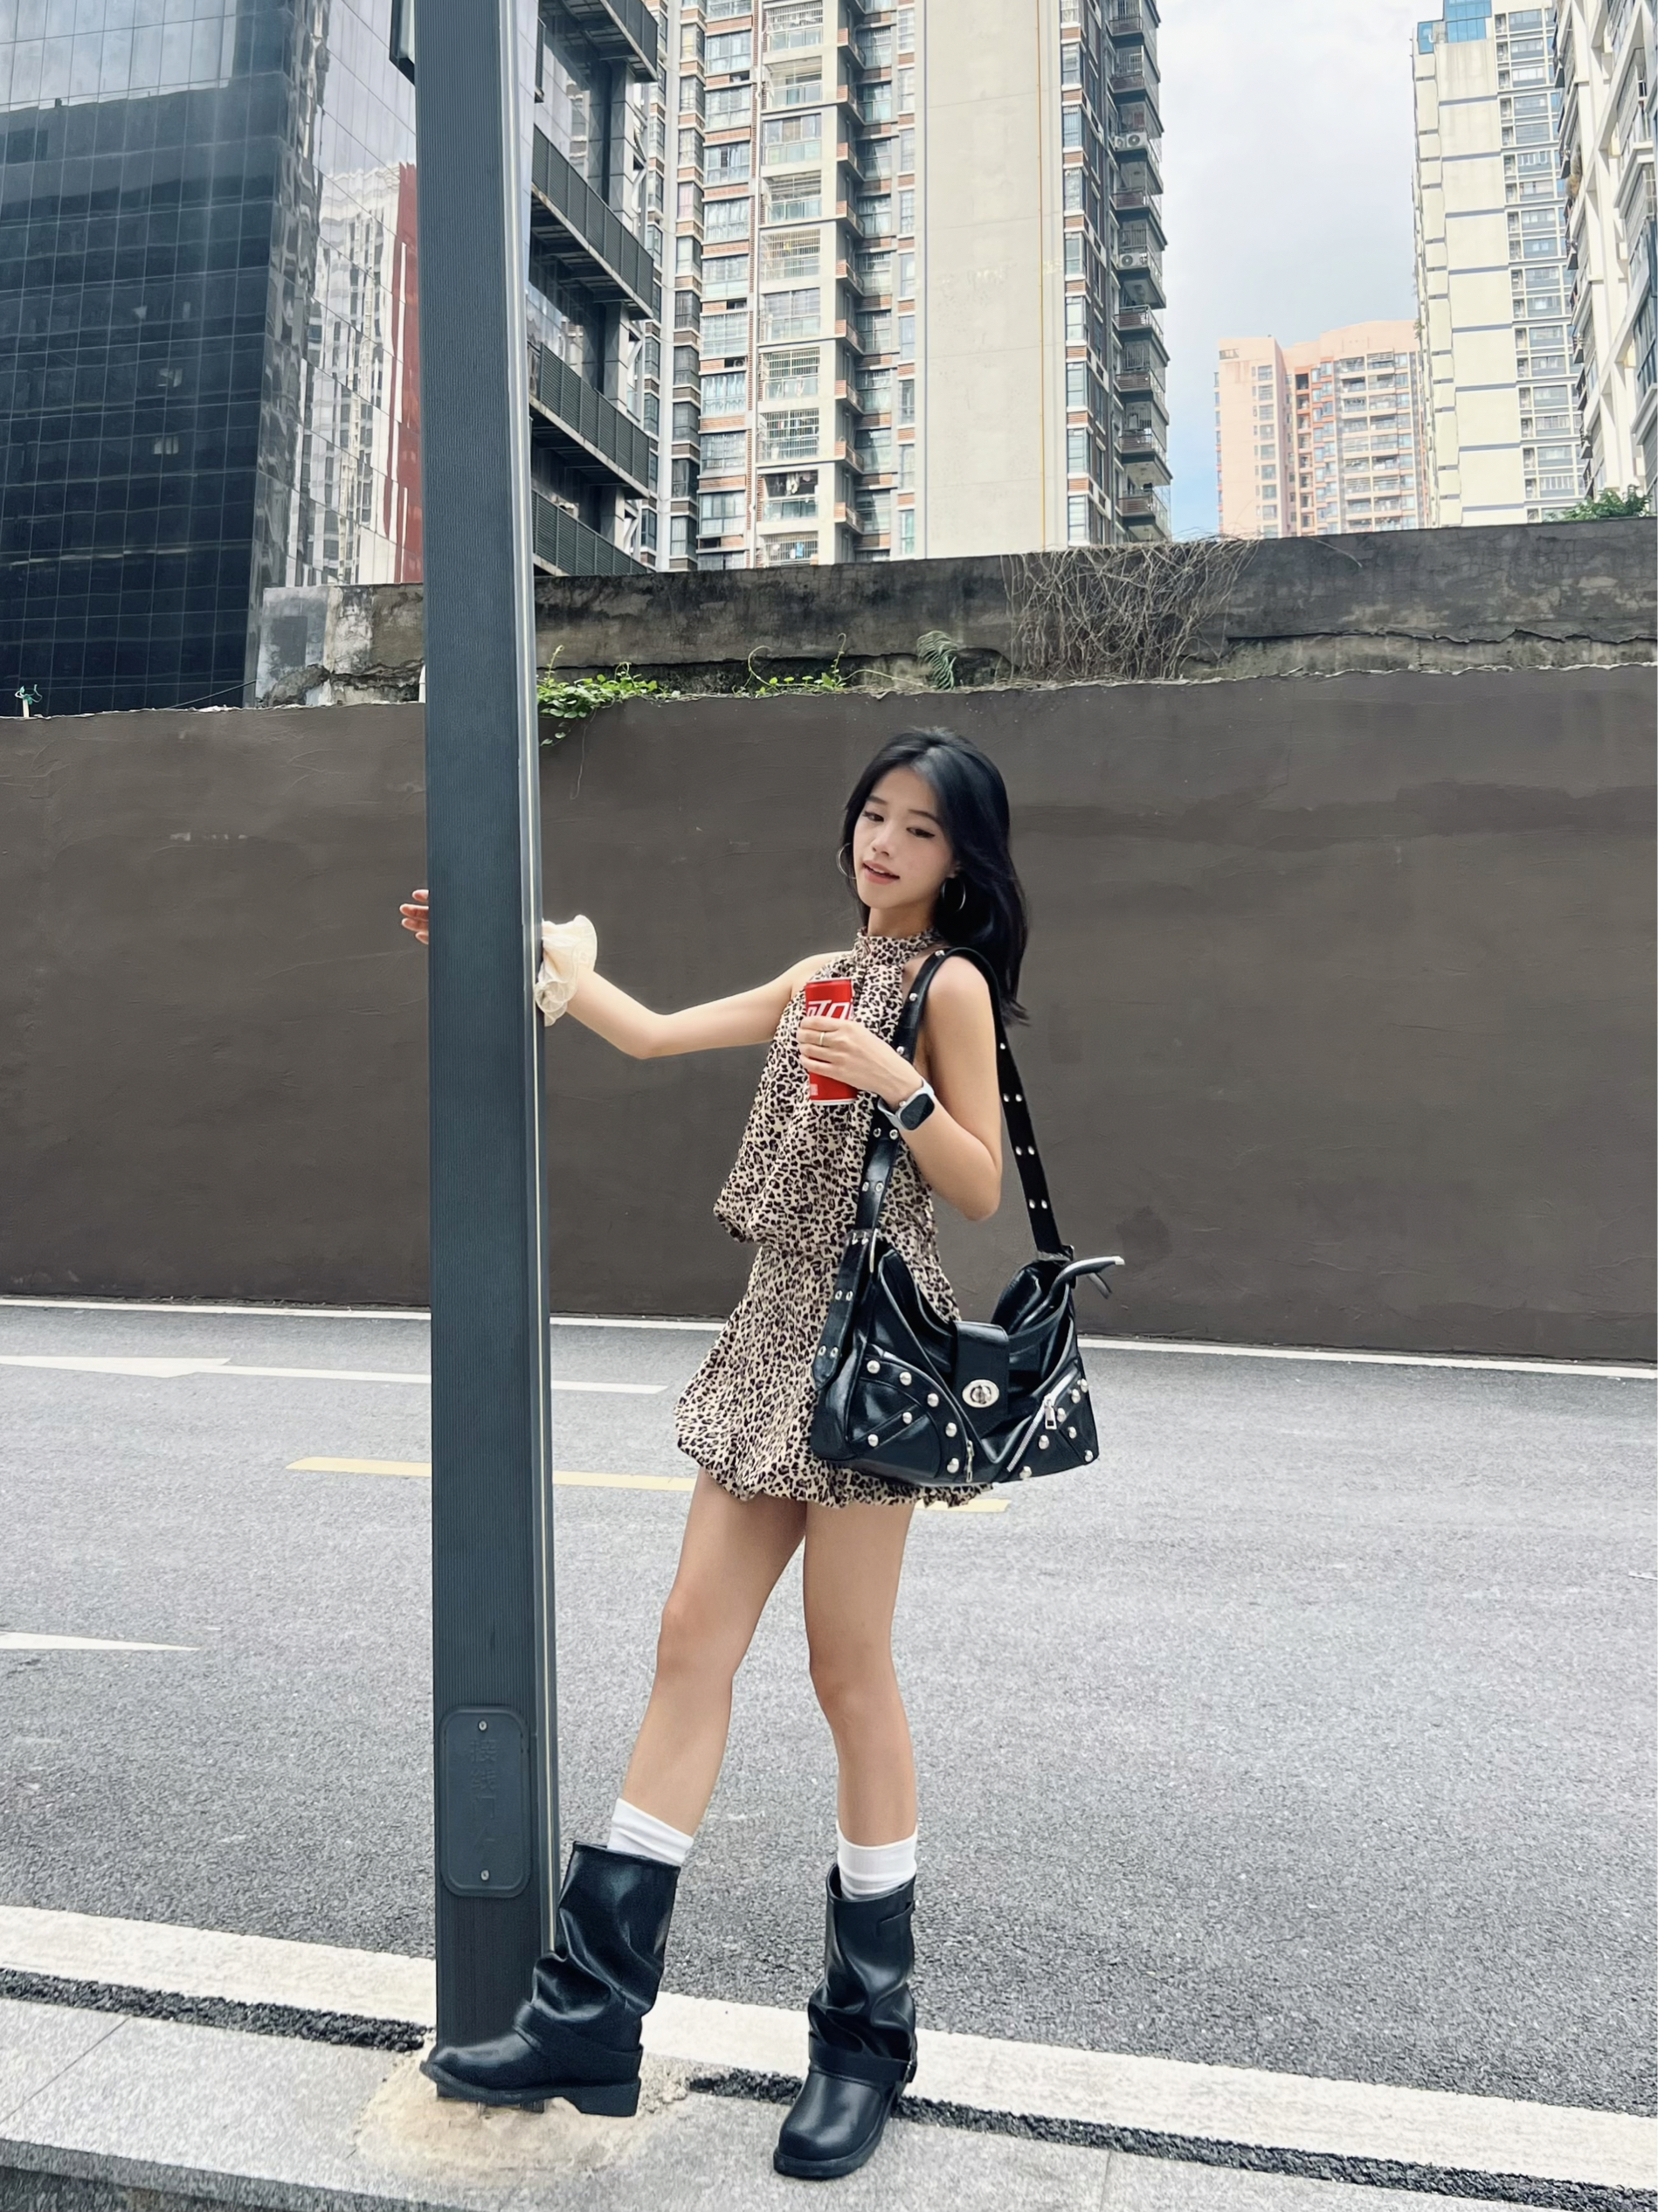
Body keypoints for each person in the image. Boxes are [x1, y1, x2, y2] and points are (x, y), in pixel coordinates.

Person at [397, 728, 1027, 2182]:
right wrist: (497, 945)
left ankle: (864, 2045)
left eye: (918, 828)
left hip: (869, 1348)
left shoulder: (947, 986)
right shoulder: (819, 974)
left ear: (961, 860)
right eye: (872, 813)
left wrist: (899, 1083)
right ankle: (587, 2017)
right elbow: (645, 1028)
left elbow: (980, 1185)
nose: (882, 842)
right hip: (768, 1333)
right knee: (689, 1642)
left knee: (847, 1674)